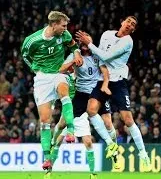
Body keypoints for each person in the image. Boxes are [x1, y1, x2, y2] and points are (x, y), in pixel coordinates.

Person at [75, 16, 152, 171]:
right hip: (103, 80)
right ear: (122, 22)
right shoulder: (106, 35)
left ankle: (143, 155)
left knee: (127, 120)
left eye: (133, 25)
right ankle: (111, 145)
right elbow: (100, 60)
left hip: (118, 83)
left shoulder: (128, 41)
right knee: (91, 110)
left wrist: (89, 43)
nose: (130, 24)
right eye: (128, 21)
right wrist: (104, 80)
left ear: (133, 30)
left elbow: (106, 56)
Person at [47, 39, 119, 179]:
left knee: (108, 123)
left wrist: (105, 83)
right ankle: (51, 145)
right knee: (62, 124)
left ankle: (113, 151)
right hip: (81, 95)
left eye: (87, 41)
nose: (85, 44)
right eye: (82, 42)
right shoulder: (75, 55)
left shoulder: (97, 55)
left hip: (96, 93)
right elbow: (60, 69)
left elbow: (106, 71)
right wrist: (74, 62)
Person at [21, 11, 83, 170]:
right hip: (42, 79)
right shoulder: (32, 41)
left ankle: (71, 131)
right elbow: (25, 56)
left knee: (64, 91)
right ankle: (47, 158)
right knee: (44, 121)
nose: (65, 28)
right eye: (63, 25)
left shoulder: (64, 34)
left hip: (58, 73)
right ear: (53, 24)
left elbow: (73, 45)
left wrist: (76, 52)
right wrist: (35, 69)